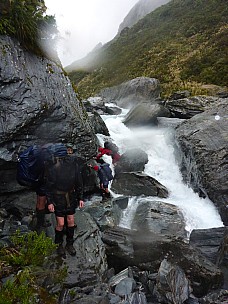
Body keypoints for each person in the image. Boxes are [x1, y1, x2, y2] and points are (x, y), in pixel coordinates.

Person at [46, 153, 84, 256]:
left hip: (70, 197)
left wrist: (80, 198)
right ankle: (58, 244)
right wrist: (50, 202)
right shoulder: (54, 168)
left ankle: (69, 244)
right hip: (58, 198)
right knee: (61, 223)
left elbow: (79, 182)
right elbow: (49, 187)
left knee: (71, 220)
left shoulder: (74, 166)